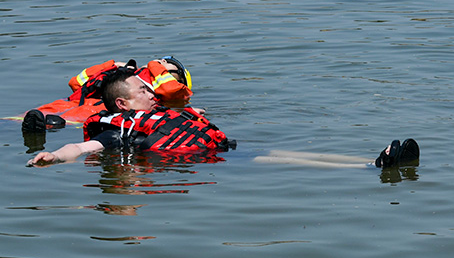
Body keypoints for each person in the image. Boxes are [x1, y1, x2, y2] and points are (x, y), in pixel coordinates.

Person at [26, 68, 419, 168]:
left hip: (221, 149)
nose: (151, 90)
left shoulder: (165, 113)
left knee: (278, 151)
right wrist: (52, 156)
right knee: (272, 161)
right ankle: (370, 168)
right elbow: (82, 145)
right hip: (206, 161)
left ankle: (367, 162)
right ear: (124, 106)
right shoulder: (118, 132)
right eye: (142, 90)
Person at [20, 56, 193, 132]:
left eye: (168, 67)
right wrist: (111, 65)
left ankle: (45, 127)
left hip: (99, 110)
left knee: (55, 122)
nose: (163, 64)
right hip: (77, 102)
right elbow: (76, 83)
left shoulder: (170, 94)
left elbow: (171, 90)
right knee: (21, 118)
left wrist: (155, 65)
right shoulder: (130, 76)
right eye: (162, 63)